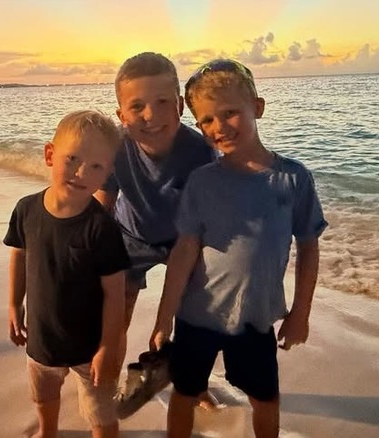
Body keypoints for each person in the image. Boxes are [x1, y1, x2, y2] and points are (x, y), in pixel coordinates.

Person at [149, 59, 328, 438]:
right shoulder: (202, 182)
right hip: (198, 315)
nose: (219, 127)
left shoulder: (293, 178)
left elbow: (309, 246)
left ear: (257, 108)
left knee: (265, 397)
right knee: (185, 391)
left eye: (230, 113)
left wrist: (301, 312)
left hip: (255, 318)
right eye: (206, 120)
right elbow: (184, 251)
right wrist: (164, 317)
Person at [93, 52, 219, 408]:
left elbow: (207, 220)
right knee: (116, 315)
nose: (151, 115)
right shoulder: (116, 148)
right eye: (137, 107)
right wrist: (88, 254)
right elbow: (101, 206)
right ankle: (108, 379)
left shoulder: (201, 153)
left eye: (163, 102)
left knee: (195, 314)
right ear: (121, 116)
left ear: (179, 105)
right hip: (130, 235)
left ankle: (194, 381)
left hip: (185, 239)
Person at [4, 110, 130, 438]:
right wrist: (14, 304)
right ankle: (48, 432)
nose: (81, 172)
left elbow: (115, 294)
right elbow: (19, 254)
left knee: (101, 414)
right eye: (72, 159)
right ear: (50, 154)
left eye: (96, 166)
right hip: (42, 339)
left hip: (90, 347)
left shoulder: (101, 228)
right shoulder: (26, 210)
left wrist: (108, 348)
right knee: (44, 396)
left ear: (108, 173)